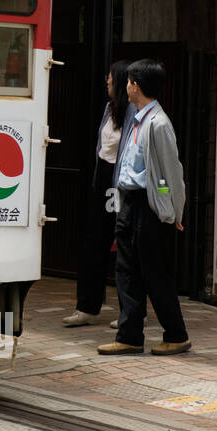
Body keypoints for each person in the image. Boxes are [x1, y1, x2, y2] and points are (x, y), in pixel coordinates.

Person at [98, 59, 190, 356]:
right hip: (129, 202)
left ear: (135, 86)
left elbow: (169, 174)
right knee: (126, 271)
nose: (125, 86)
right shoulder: (136, 118)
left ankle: (176, 335)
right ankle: (129, 335)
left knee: (154, 274)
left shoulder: (158, 123)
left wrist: (171, 208)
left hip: (148, 206)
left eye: (128, 82)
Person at [63, 61, 132, 327]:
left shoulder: (133, 113)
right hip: (102, 180)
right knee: (93, 243)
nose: (107, 81)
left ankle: (131, 311)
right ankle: (87, 307)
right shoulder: (108, 108)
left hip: (121, 184)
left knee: (125, 246)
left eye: (111, 77)